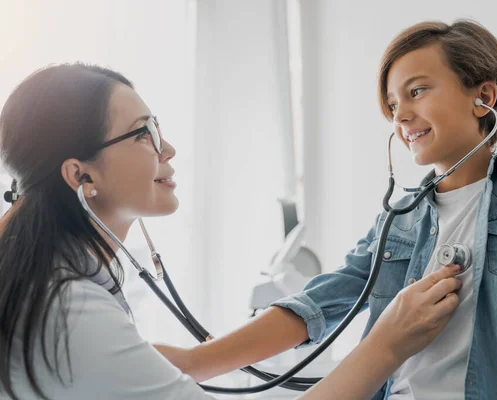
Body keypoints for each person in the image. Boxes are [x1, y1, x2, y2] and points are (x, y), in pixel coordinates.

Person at [155, 19, 497, 400]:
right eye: (392, 104)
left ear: (482, 95)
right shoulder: (400, 218)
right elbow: (318, 304)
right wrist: (197, 362)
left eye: (417, 91)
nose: (400, 116)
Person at [0, 63, 464, 400]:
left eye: (156, 129)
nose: (169, 149)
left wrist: (198, 361)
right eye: (144, 134)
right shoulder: (68, 313)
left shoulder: (57, 287)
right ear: (81, 176)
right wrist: (386, 345)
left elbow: (153, 364)